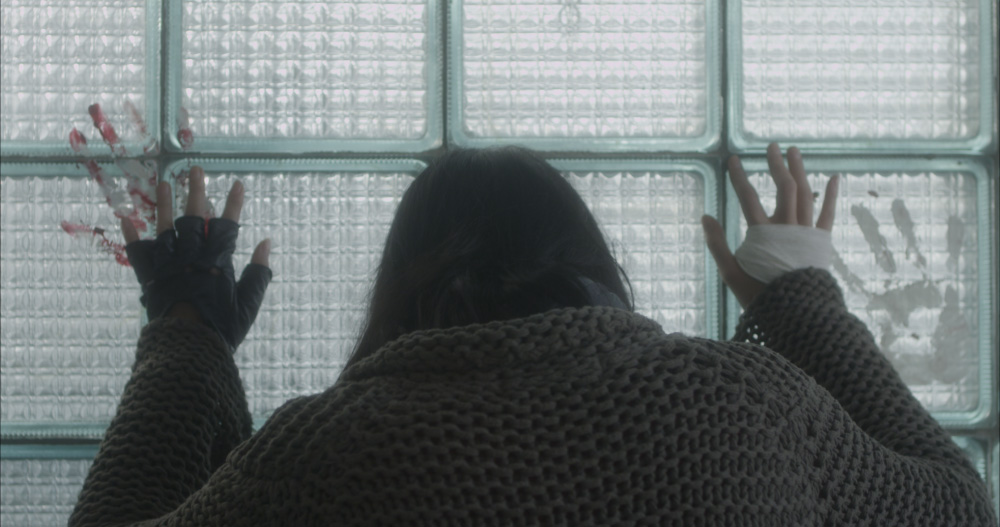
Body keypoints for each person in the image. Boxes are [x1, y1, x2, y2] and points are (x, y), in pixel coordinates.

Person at [69, 145, 996, 526]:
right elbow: (960, 506)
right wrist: (799, 298)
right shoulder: (749, 409)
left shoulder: (322, 458)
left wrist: (189, 331)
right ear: (590, 262)